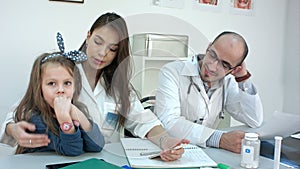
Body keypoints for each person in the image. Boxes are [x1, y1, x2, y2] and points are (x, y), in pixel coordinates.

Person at [1, 12, 188, 161]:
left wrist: (166, 141)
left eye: (112, 49)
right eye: (98, 42)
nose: (102, 52)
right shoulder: (64, 74)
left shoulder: (118, 87)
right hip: (61, 159)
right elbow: (22, 110)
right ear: (88, 36)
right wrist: (13, 129)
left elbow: (144, 121)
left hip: (105, 161)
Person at [154, 31, 263, 153]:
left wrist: (243, 78)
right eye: (213, 55)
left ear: (234, 70)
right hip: (170, 150)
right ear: (208, 47)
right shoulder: (172, 71)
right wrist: (220, 139)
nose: (212, 66)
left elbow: (254, 120)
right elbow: (169, 122)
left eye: (224, 64)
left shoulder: (227, 82)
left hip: (204, 153)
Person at [13, 32, 105, 156]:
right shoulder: (34, 118)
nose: (60, 90)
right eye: (52, 83)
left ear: (75, 86)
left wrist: (79, 115)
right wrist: (64, 119)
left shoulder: (77, 109)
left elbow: (97, 145)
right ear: (39, 87)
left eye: (67, 83)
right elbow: (72, 150)